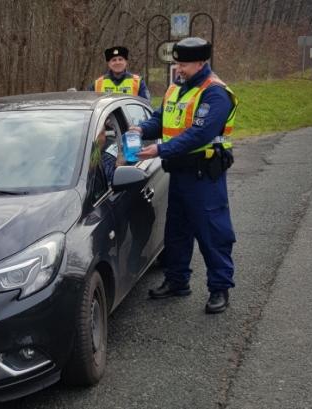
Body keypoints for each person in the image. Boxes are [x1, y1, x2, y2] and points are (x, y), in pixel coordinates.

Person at [132, 37, 238, 314]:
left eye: (184, 64)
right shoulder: (177, 88)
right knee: (176, 232)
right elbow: (161, 119)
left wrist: (159, 150)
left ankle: (219, 289)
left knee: (212, 233)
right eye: (177, 63)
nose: (179, 69)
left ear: (201, 62)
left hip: (204, 176)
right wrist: (141, 130)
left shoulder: (215, 93)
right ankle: (177, 281)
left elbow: (199, 134)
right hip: (179, 173)